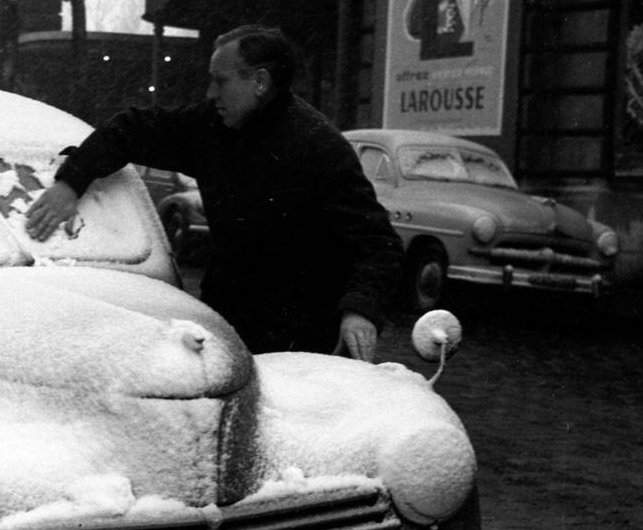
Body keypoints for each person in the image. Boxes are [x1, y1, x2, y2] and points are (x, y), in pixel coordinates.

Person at [25, 25, 402, 361]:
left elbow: (378, 243)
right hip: (229, 324)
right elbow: (133, 129)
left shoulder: (318, 147)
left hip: (303, 339)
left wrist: (360, 310)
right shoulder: (212, 127)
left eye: (220, 81)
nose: (211, 93)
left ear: (259, 82)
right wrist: (70, 182)